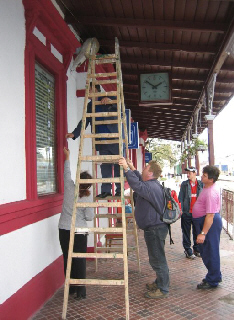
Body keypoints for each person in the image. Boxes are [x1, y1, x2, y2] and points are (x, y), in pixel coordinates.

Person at [119, 157, 169, 299]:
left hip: (155, 229)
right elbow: (140, 180)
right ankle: (160, 282)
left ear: (151, 173)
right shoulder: (152, 184)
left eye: (146, 167)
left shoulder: (150, 187)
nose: (144, 168)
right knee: (157, 257)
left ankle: (163, 288)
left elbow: (137, 185)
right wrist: (132, 168)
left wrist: (127, 170)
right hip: (155, 228)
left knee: (158, 259)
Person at [66, 83, 120, 198]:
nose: (89, 94)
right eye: (88, 92)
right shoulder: (90, 106)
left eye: (91, 91)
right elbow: (84, 121)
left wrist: (109, 99)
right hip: (102, 141)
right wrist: (74, 133)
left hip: (115, 139)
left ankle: (119, 190)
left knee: (118, 165)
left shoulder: (109, 98)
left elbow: (120, 105)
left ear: (97, 90)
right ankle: (106, 191)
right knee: (105, 167)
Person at [58, 147, 94, 300]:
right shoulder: (86, 198)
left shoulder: (68, 187)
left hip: (64, 229)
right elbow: (90, 217)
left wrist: (67, 156)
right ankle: (81, 290)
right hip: (79, 231)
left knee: (68, 257)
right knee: (79, 259)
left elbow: (66, 173)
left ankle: (71, 287)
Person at [192, 165, 222, 289]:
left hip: (209, 223)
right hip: (205, 221)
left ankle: (213, 279)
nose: (201, 177)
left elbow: (210, 215)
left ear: (211, 179)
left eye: (204, 176)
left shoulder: (211, 193)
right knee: (207, 251)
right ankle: (214, 275)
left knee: (211, 251)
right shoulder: (207, 187)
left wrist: (203, 233)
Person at [178, 167, 203, 259]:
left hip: (197, 213)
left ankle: (196, 249)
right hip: (187, 212)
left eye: (190, 173)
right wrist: (181, 210)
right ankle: (187, 249)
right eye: (187, 173)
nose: (188, 175)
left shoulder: (201, 184)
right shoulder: (185, 184)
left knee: (197, 231)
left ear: (195, 173)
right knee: (186, 232)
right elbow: (180, 197)